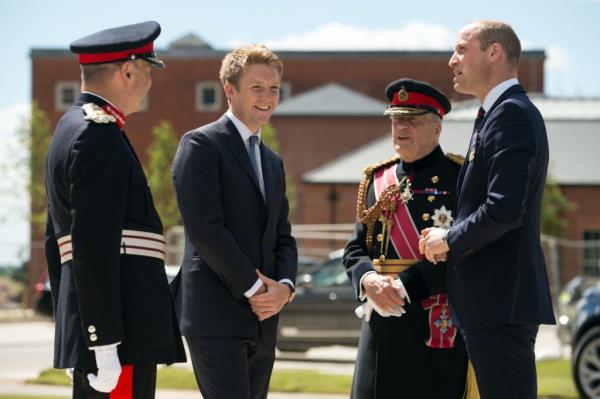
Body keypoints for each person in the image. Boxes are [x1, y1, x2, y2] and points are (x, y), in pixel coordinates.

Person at [44, 21, 186, 399]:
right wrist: (103, 344)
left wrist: (73, 330)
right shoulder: (98, 135)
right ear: (127, 70)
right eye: (146, 71)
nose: (149, 83)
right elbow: (90, 247)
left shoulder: (71, 130)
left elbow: (56, 244)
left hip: (107, 329)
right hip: (121, 332)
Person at [420, 20, 556, 399]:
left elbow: (503, 209)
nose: (452, 60)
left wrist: (448, 238)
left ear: (494, 52)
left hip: (501, 302)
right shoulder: (493, 115)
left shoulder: (510, 115)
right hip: (492, 303)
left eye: (462, 49)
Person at [171, 44, 297, 399]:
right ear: (230, 90)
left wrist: (284, 289)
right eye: (257, 87)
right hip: (215, 314)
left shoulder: (271, 160)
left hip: (264, 318)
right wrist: (257, 290)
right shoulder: (200, 145)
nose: (268, 97)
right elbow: (205, 229)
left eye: (274, 89)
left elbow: (282, 236)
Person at [343, 78, 478, 399]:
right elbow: (355, 249)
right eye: (396, 119)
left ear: (436, 128)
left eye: (412, 121)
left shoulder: (460, 179)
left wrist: (404, 286)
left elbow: (466, 251)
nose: (401, 127)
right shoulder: (377, 179)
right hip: (381, 325)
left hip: (433, 323)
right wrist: (369, 281)